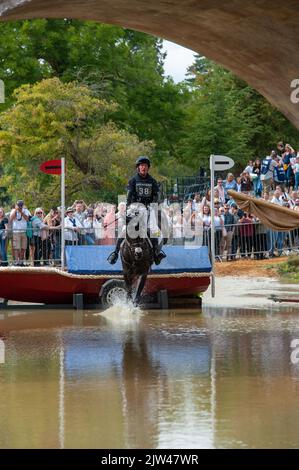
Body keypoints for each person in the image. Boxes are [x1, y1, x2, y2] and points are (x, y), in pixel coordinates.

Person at [107, 156, 166, 265]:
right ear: (138, 168)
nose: (143, 167)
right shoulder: (133, 180)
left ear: (148, 168)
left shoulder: (152, 181)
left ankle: (156, 254)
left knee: (156, 232)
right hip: (134, 207)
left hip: (148, 208)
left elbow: (156, 196)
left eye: (145, 166)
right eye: (141, 165)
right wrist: (130, 207)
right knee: (125, 230)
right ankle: (115, 253)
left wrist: (152, 205)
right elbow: (129, 196)